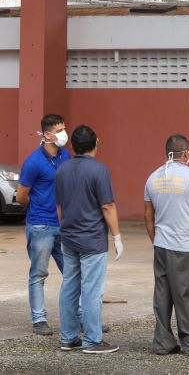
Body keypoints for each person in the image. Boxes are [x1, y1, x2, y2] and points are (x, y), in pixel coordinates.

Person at [144, 134, 189, 356]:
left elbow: (148, 216)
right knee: (185, 295)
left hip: (162, 246)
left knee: (163, 295)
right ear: (185, 153)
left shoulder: (152, 178)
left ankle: (163, 342)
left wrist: (156, 240)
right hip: (186, 246)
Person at [55, 125, 123, 354]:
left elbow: (60, 206)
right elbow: (107, 205)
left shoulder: (62, 169)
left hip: (69, 236)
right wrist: (117, 236)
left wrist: (66, 227)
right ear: (96, 144)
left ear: (72, 145)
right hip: (92, 239)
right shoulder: (99, 170)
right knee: (92, 290)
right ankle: (92, 340)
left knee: (70, 287)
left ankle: (68, 337)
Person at [15, 114, 71, 336]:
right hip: (40, 226)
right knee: (38, 273)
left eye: (64, 129)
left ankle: (81, 317)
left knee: (72, 272)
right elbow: (21, 196)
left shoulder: (65, 155)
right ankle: (39, 319)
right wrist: (38, 208)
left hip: (63, 225)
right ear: (47, 135)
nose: (63, 134)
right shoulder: (33, 162)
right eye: (59, 130)